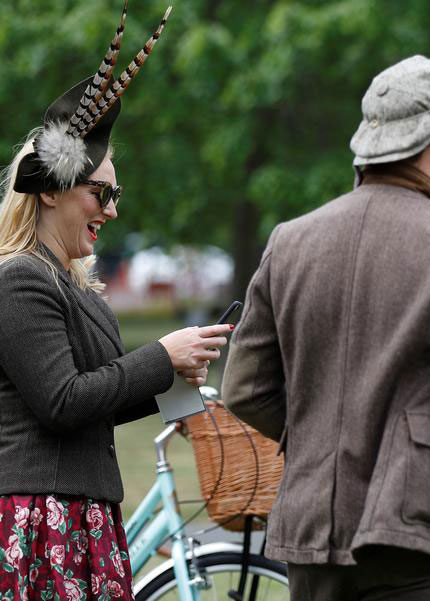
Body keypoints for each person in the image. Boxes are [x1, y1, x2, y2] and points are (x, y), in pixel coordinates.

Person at [222, 55, 430, 601]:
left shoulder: (289, 241)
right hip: (422, 537)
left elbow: (242, 388)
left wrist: (324, 439)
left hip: (312, 530)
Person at [0, 5, 231, 599]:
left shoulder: (77, 288)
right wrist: (160, 354)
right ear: (51, 192)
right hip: (40, 523)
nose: (113, 210)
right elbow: (62, 400)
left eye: (116, 193)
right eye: (101, 192)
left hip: (82, 515)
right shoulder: (19, 280)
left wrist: (174, 380)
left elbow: (101, 395)